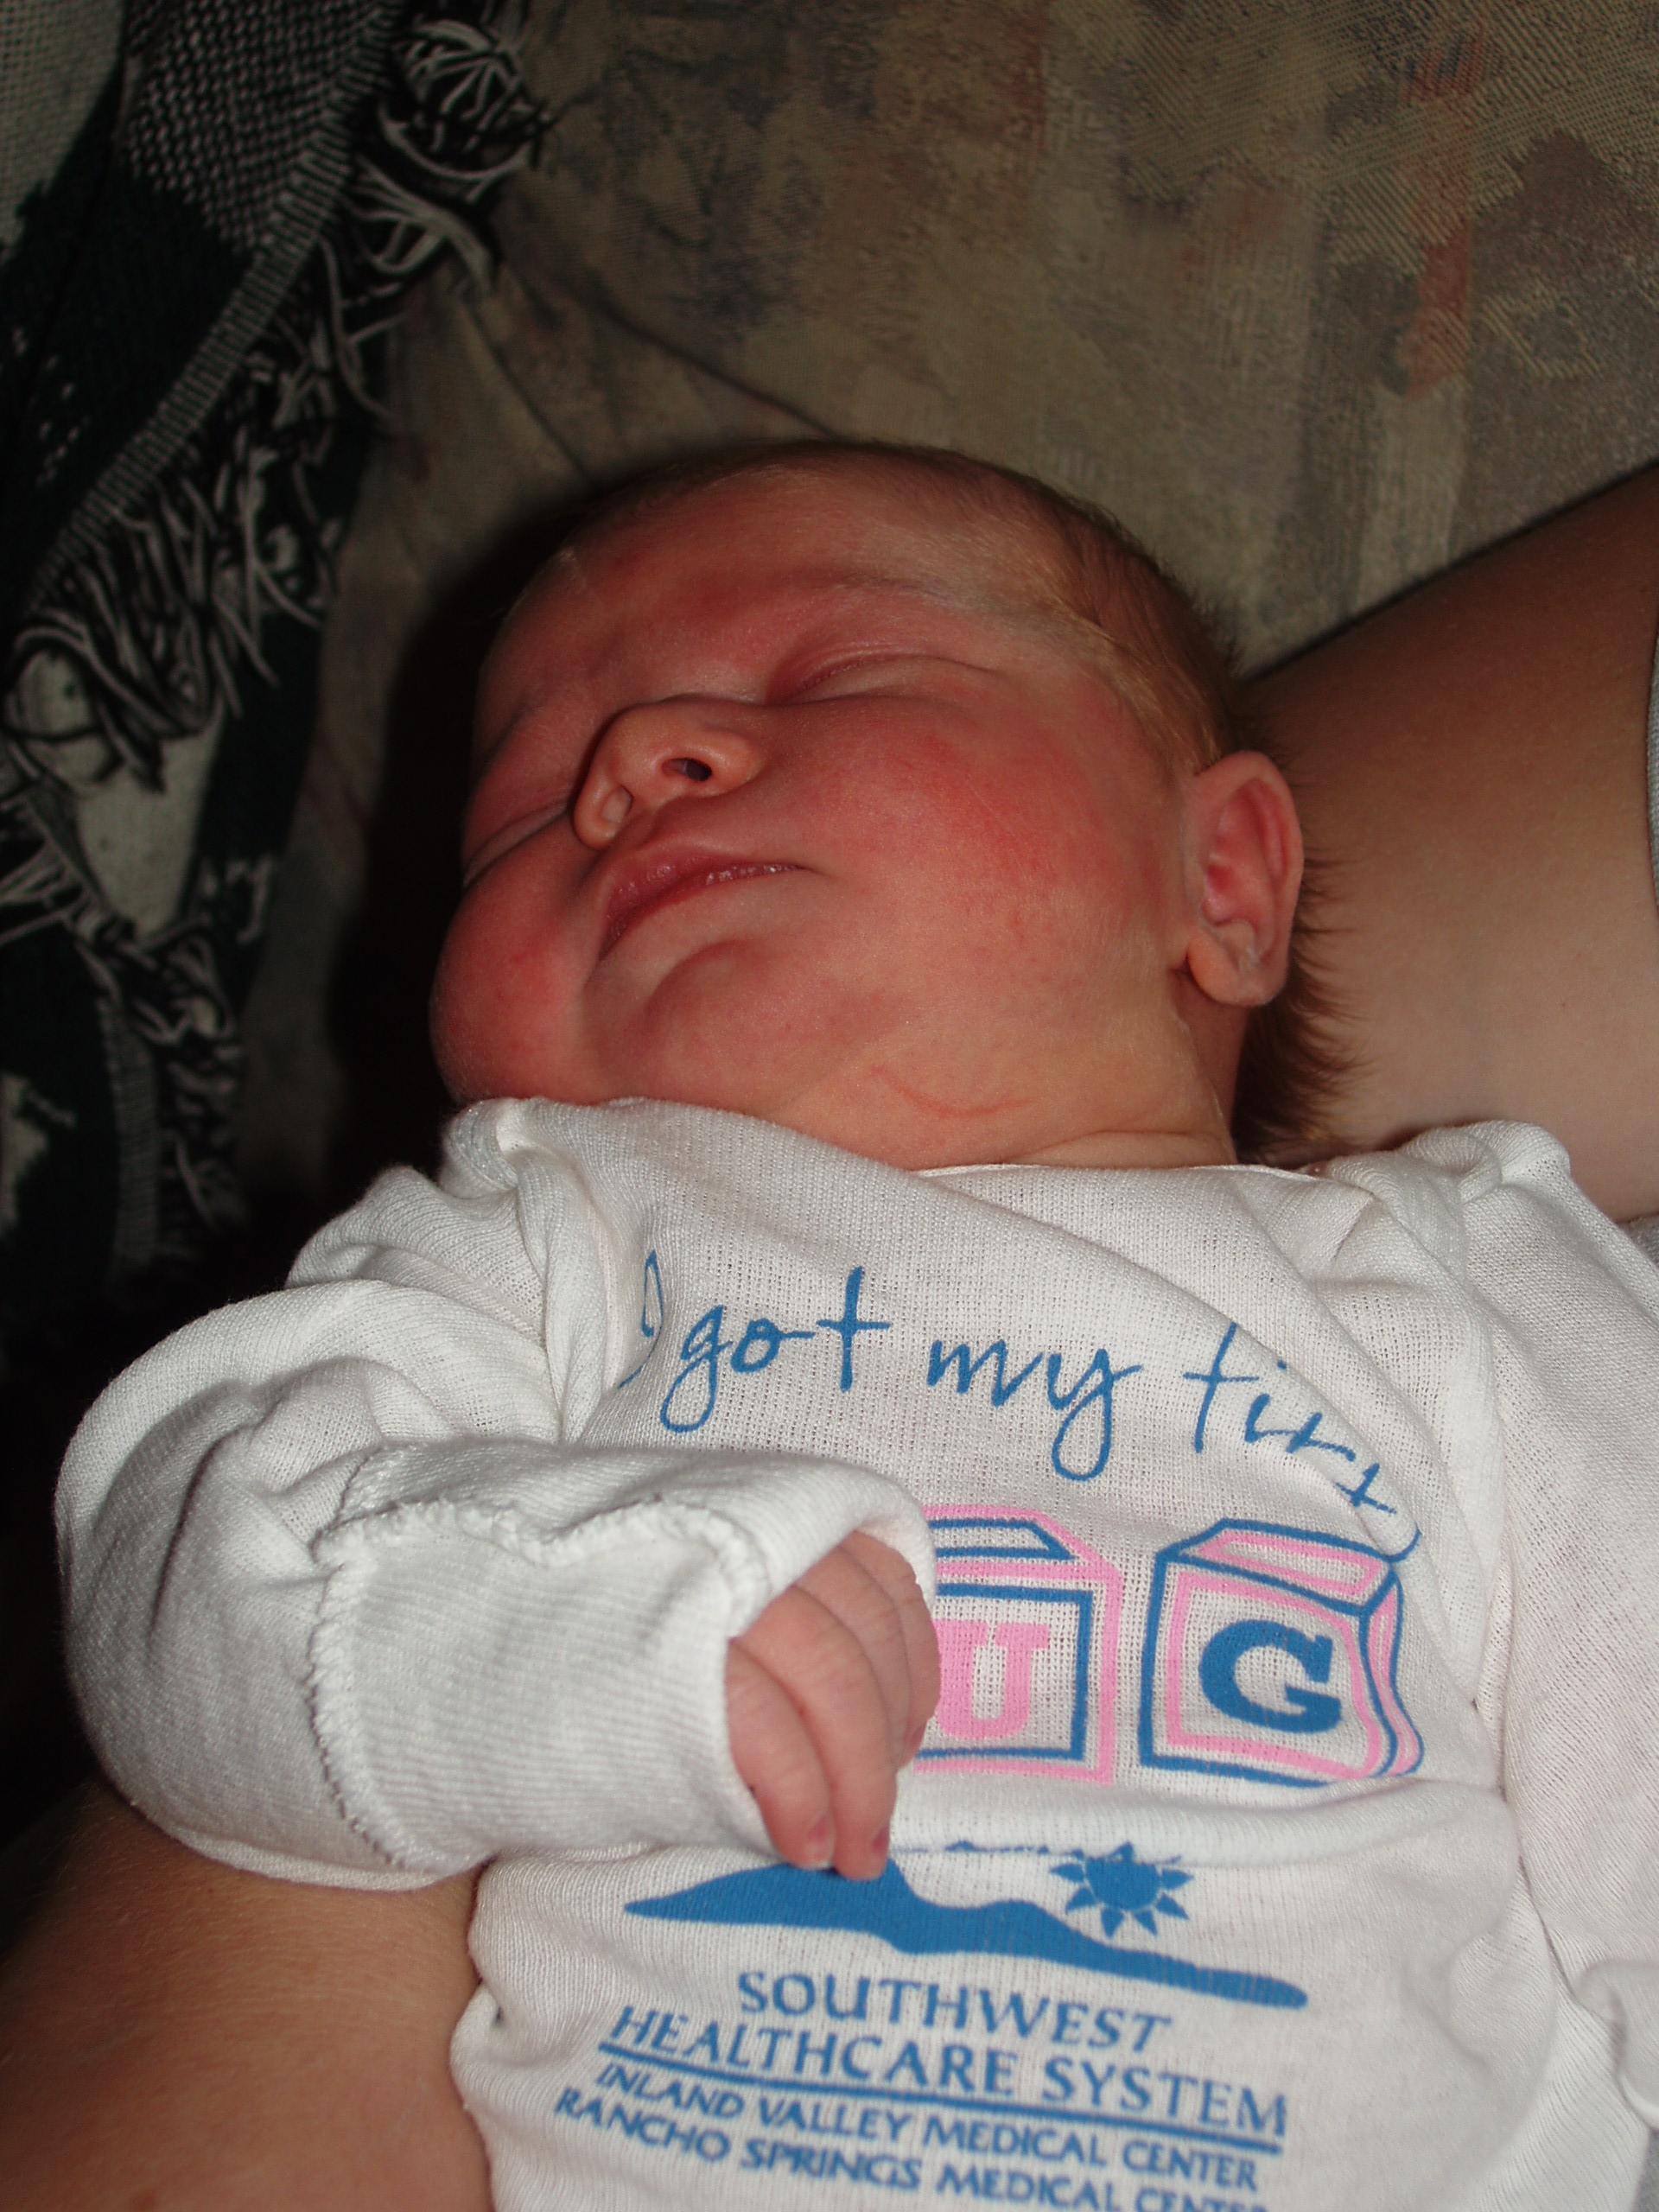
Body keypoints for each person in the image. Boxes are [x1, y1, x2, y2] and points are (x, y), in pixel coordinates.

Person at [17, 443, 1659, 2209]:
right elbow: (188, 1563)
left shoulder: (1464, 1280)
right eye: (515, 816)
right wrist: (566, 1628)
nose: (630, 768)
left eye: (836, 675)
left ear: (1225, 884)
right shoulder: (538, 1243)